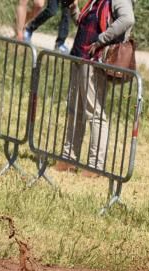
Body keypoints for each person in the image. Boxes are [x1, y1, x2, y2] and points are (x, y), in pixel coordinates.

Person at [54, 0, 133, 174]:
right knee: (75, 111)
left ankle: (95, 167)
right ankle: (68, 159)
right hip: (80, 57)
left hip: (95, 62)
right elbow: (83, 24)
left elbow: (128, 19)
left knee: (95, 113)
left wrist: (101, 40)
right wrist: (73, 8)